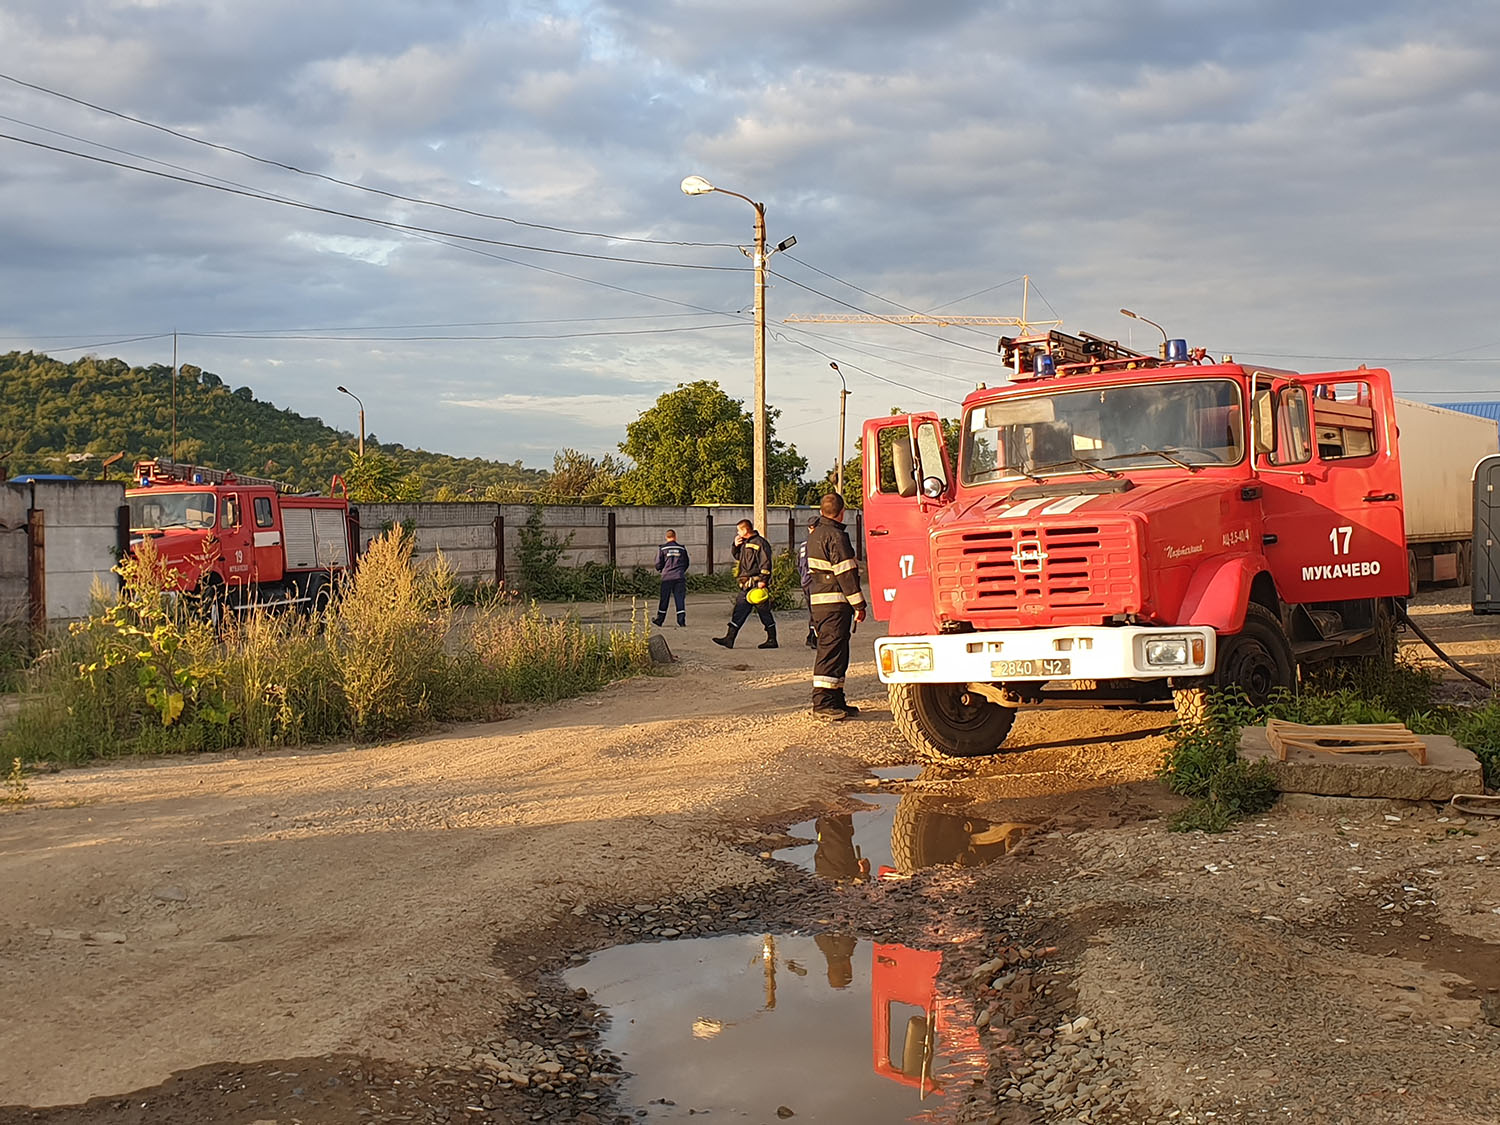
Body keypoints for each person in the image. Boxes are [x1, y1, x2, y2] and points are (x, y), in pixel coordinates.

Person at [805, 492, 866, 719]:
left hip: (821, 603)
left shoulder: (814, 534)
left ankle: (836, 701)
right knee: (831, 652)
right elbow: (846, 574)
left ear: (822, 511)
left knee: (838, 652)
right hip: (835, 603)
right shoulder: (836, 536)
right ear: (842, 512)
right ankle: (822, 704)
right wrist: (859, 604)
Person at [713, 518, 776, 649]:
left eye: (738, 530)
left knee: (764, 611)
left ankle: (772, 639)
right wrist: (735, 546)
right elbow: (738, 557)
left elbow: (766, 563)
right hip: (746, 583)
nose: (737, 533)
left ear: (745, 530)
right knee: (739, 610)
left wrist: (763, 580)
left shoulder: (761, 543)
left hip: (756, 582)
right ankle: (729, 639)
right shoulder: (744, 543)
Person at [653, 529, 690, 628]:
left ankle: (660, 620)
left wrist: (661, 570)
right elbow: (686, 563)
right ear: (675, 536)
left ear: (666, 537)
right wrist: (681, 571)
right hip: (679, 576)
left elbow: (658, 563)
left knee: (664, 599)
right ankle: (681, 621)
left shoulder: (662, 549)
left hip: (667, 577)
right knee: (680, 598)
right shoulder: (682, 549)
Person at [795, 516, 818, 648]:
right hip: (814, 581)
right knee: (817, 611)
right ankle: (814, 637)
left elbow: (799, 565)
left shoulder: (803, 545)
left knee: (812, 611)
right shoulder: (818, 542)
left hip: (805, 581)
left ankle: (811, 636)